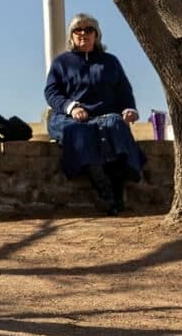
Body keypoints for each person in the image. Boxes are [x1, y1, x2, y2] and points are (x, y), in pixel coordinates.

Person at [44, 12, 146, 215]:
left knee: (116, 127)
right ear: (71, 36)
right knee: (82, 133)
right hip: (69, 118)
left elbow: (123, 90)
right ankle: (107, 195)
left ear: (97, 35)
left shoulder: (110, 62)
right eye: (78, 30)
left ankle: (118, 194)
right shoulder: (61, 63)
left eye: (89, 29)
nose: (83, 33)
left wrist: (128, 109)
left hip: (105, 116)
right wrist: (72, 108)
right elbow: (52, 92)